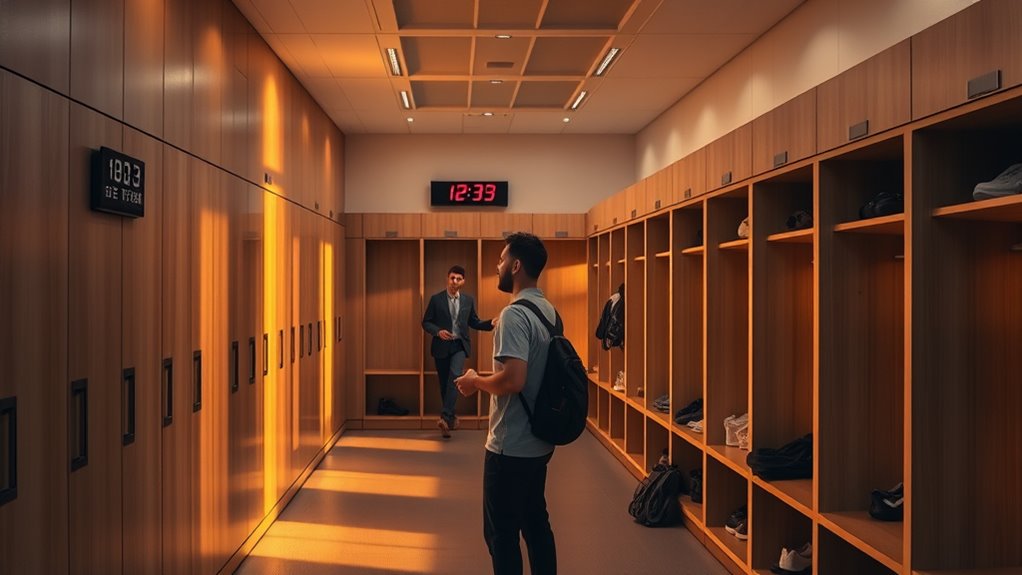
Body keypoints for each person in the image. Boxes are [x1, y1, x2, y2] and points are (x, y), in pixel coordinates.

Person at [455, 232, 557, 575]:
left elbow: (513, 380)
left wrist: (474, 382)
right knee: (536, 525)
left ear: (516, 266)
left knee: (501, 535)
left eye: (501, 260)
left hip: (509, 446)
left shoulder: (515, 315)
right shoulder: (547, 311)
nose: (496, 265)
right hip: (539, 441)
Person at [422, 265, 495, 438]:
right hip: (441, 346)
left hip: (459, 346)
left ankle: (444, 417)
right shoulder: (436, 299)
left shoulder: (468, 301)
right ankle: (450, 420)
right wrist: (437, 331)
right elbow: (426, 322)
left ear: (463, 281)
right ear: (447, 279)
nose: (455, 281)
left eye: (458, 279)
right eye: (452, 278)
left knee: (455, 377)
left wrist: (491, 323)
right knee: (444, 384)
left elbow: (474, 322)